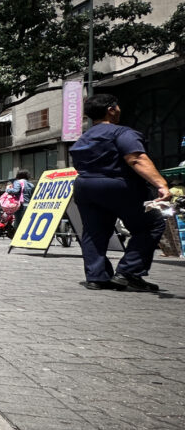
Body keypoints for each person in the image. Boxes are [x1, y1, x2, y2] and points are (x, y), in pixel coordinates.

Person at [69, 93, 169, 291]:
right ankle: (128, 272)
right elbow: (136, 159)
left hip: (85, 186)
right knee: (151, 225)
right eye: (118, 107)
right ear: (111, 110)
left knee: (94, 232)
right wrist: (161, 184)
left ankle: (97, 277)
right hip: (119, 185)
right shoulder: (122, 133)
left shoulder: (82, 139)